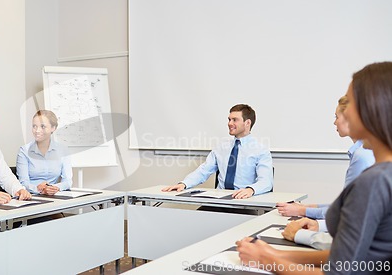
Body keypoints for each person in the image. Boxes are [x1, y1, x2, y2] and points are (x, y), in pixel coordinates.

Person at [236, 62, 392, 274]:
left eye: (350, 103)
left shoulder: (374, 181)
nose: (344, 112)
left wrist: (266, 259)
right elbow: (353, 257)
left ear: (371, 108)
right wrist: (276, 254)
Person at [277, 96, 374, 250]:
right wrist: (309, 209)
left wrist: (307, 216)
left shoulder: (363, 156)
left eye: (337, 117)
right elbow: (346, 205)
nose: (334, 122)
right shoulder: (362, 153)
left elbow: (348, 212)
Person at [162, 104, 273, 199]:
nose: (229, 123)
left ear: (247, 123)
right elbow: (204, 170)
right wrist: (184, 184)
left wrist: (250, 190)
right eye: (229, 119)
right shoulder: (221, 147)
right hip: (220, 200)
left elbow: (266, 182)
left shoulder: (261, 150)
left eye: (235, 120)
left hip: (244, 200)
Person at [16, 110, 72, 195]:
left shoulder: (62, 150)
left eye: (43, 126)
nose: (37, 130)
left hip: (54, 195)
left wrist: (55, 188)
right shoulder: (24, 151)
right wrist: (38, 189)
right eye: (34, 126)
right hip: (32, 196)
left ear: (53, 128)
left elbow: (68, 181)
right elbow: (23, 183)